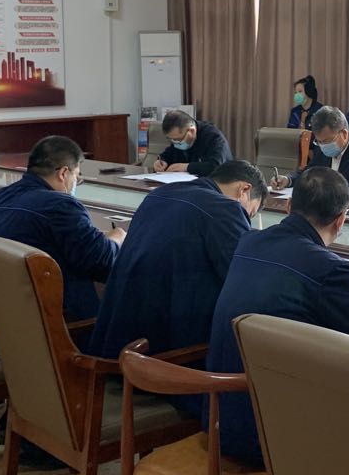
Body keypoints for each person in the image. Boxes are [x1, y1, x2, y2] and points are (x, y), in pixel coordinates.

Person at [206, 167, 349, 465]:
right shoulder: (329, 271)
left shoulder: (250, 242)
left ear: (289, 206)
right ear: (341, 220)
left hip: (221, 416)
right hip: (276, 435)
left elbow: (292, 283)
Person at [88, 160, 265, 388]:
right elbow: (239, 281)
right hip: (166, 360)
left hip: (118, 342)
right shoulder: (225, 208)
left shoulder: (159, 194)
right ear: (244, 190)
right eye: (250, 212)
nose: (245, 218)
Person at [0, 135, 123, 326]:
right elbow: (101, 261)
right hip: (56, 326)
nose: (76, 182)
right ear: (63, 173)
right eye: (77, 176)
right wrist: (117, 237)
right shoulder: (61, 205)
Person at [272, 106, 349, 197]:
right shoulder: (322, 148)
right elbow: (309, 172)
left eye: (326, 141)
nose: (322, 146)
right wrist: (288, 180)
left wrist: (327, 187)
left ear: (344, 134)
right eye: (319, 141)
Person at [152, 109, 232, 176]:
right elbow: (168, 155)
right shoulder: (177, 139)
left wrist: (186, 167)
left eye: (177, 139)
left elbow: (215, 166)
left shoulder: (213, 137)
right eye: (171, 140)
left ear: (191, 131)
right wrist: (162, 162)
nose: (175, 143)